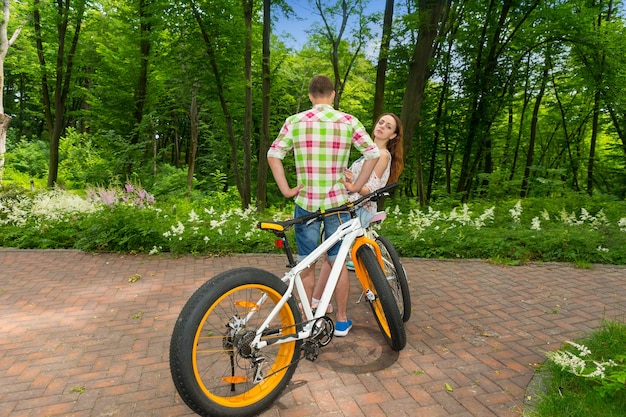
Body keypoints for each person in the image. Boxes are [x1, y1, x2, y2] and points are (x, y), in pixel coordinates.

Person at [267, 75, 380, 337]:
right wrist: (356, 186)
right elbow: (372, 153)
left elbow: (273, 154)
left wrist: (286, 189)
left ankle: (308, 321)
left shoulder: (294, 122)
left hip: (306, 204)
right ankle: (340, 321)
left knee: (307, 264)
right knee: (338, 263)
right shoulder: (348, 121)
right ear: (333, 94)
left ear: (310, 96)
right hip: (337, 205)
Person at [311, 113, 404, 314]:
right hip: (351, 205)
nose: (382, 127)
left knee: (332, 256)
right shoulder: (369, 153)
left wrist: (352, 185)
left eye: (388, 126)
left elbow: (371, 188)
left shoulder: (383, 154)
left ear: (394, 135)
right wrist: (351, 179)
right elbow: (361, 182)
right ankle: (318, 300)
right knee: (332, 256)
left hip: (359, 209)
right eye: (381, 122)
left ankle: (317, 300)